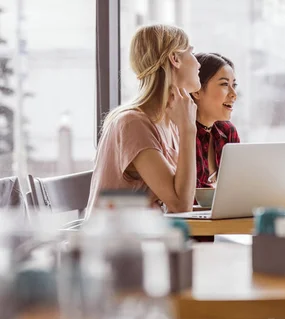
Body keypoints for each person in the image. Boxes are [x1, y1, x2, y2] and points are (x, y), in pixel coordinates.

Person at [86, 24, 200, 216]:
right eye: (191, 52)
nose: (198, 64)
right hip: (116, 243)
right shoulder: (133, 123)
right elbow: (180, 205)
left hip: (146, 237)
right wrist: (188, 130)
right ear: (175, 58)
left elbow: (179, 199)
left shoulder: (167, 122)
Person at [191, 53, 240, 188]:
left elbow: (237, 188)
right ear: (197, 90)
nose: (233, 94)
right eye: (224, 84)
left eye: (233, 85)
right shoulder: (178, 134)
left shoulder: (227, 131)